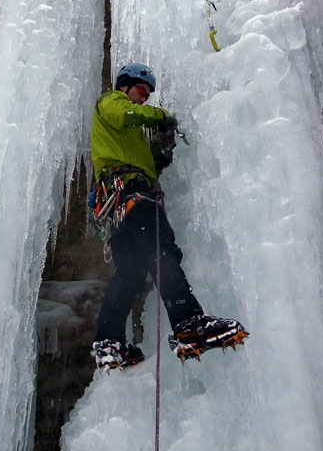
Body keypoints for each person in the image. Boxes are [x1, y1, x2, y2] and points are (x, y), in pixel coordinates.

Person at [90, 62, 247, 371]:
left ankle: (109, 344)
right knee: (162, 251)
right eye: (141, 90)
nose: (143, 98)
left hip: (117, 204)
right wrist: (163, 116)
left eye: (148, 95)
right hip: (131, 192)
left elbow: (151, 163)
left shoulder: (126, 141)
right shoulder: (112, 101)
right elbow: (125, 115)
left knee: (130, 273)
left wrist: (163, 149)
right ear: (125, 85)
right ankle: (189, 323)